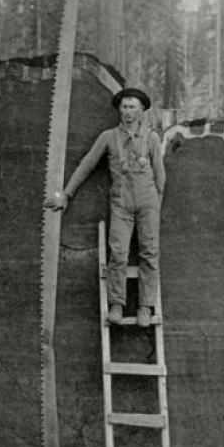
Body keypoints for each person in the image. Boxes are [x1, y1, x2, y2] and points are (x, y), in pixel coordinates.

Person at [46, 87, 165, 328]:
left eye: (133, 107)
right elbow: (86, 165)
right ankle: (117, 305)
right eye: (124, 106)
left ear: (142, 110)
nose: (128, 112)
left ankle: (145, 307)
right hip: (121, 203)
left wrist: (155, 206)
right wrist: (66, 195)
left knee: (149, 253)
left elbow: (161, 176)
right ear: (119, 110)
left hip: (148, 202)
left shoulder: (151, 138)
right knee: (118, 253)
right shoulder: (108, 137)